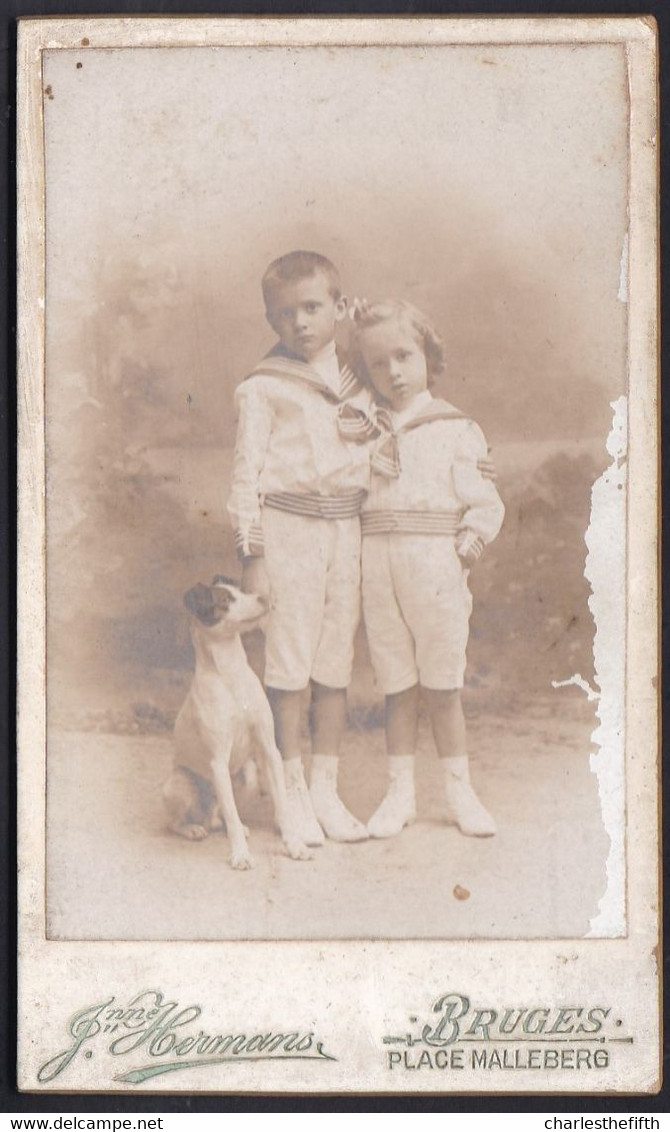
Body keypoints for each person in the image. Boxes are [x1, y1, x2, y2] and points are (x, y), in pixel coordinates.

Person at [227, 250, 372, 845]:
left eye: (314, 307)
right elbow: (245, 475)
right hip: (288, 532)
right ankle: (289, 796)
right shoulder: (263, 387)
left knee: (335, 665)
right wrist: (253, 555)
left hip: (347, 532)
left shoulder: (361, 378)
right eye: (286, 314)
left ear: (339, 307)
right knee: (289, 668)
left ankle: (324, 792)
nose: (302, 323)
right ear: (271, 321)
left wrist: (364, 325)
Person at [350, 298, 505, 839]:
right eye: (377, 363)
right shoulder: (361, 430)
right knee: (397, 685)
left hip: (434, 565)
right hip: (379, 566)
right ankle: (401, 794)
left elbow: (483, 499)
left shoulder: (456, 428)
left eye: (403, 356)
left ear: (427, 356)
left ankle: (459, 792)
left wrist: (469, 542)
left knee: (442, 685)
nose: (393, 372)